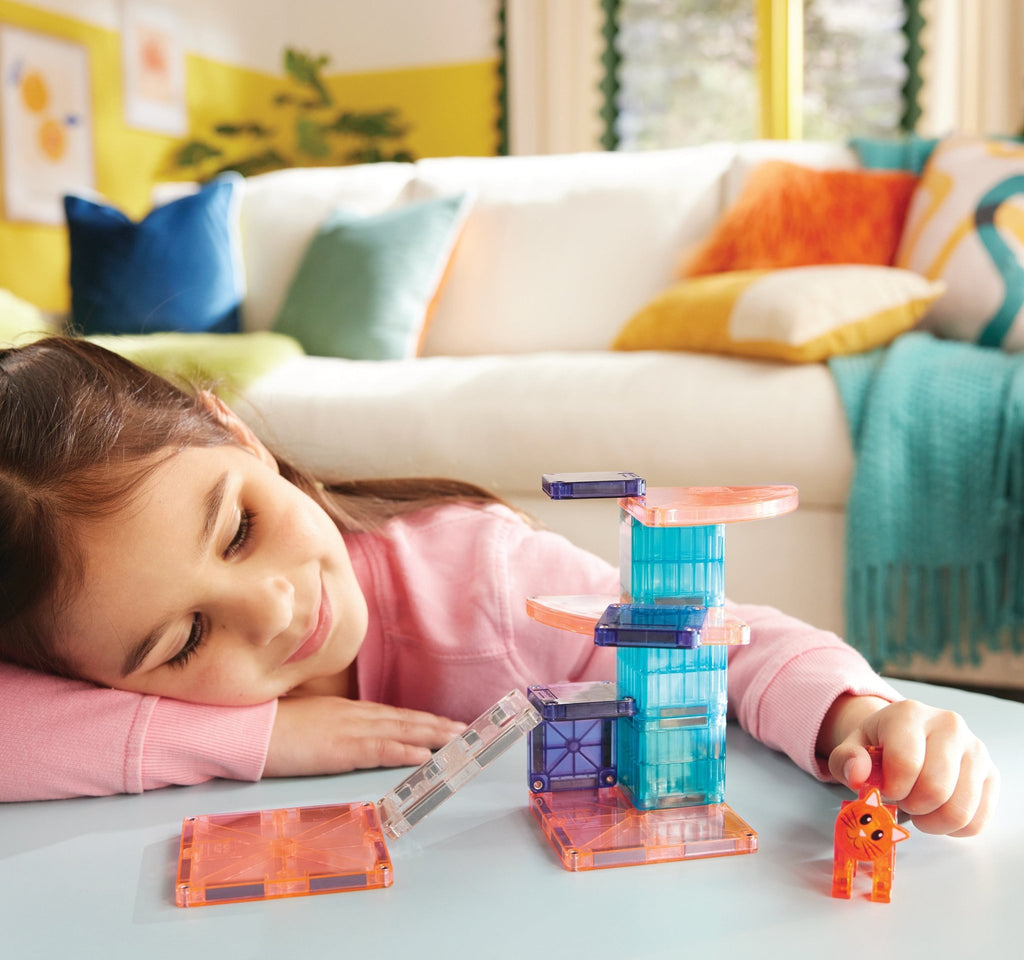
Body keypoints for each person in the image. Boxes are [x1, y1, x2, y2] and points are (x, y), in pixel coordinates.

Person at [0, 338, 998, 836]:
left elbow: (719, 643)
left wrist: (859, 713)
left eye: (241, 527)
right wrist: (266, 738)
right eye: (183, 642)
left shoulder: (482, 584)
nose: (270, 610)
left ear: (238, 435)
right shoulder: (85, 635)